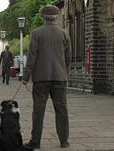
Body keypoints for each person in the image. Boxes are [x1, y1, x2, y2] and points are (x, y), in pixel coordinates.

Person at [22, 5, 71, 149]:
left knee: (38, 110)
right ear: (56, 17)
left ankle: (35, 141)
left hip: (41, 78)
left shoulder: (36, 33)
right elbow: (68, 58)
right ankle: (64, 141)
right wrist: (66, 75)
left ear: (43, 16)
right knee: (61, 109)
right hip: (59, 77)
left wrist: (26, 76)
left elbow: (32, 56)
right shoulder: (64, 34)